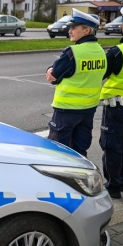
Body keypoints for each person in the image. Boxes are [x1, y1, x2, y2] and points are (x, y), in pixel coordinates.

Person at [45, 8, 106, 157]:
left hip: (67, 111)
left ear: (86, 30)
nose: (69, 30)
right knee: (80, 152)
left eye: (74, 28)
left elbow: (55, 74)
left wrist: (51, 70)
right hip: (88, 110)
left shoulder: (73, 52)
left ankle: (60, 180)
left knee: (58, 153)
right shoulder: (101, 52)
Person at [99, 6, 123, 199]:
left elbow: (102, 74)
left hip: (117, 105)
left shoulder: (118, 51)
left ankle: (113, 186)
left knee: (112, 144)